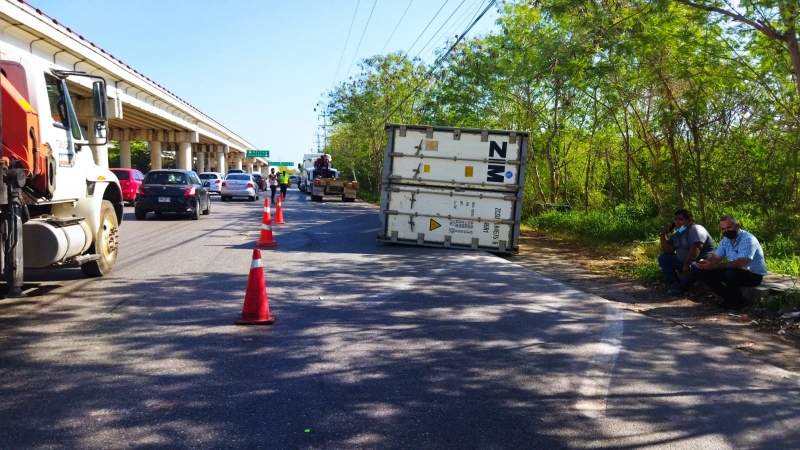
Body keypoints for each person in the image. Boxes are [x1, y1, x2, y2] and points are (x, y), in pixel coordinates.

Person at [696, 215, 767, 310]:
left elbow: (741, 264)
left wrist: (717, 266)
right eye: (723, 229)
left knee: (730, 272)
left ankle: (737, 302)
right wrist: (705, 263)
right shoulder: (726, 240)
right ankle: (728, 298)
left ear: (737, 226)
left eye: (729, 227)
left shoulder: (748, 239)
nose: (726, 231)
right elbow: (716, 257)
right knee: (703, 271)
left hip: (753, 274)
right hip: (735, 271)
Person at [658, 209, 716, 296]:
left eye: (680, 219)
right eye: (675, 220)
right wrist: (663, 235)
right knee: (664, 257)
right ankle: (674, 282)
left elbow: (696, 248)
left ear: (689, 220)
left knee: (693, 266)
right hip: (684, 263)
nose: (677, 222)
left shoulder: (696, 229)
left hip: (699, 264)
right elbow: (668, 250)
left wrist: (687, 264)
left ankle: (682, 287)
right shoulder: (678, 232)